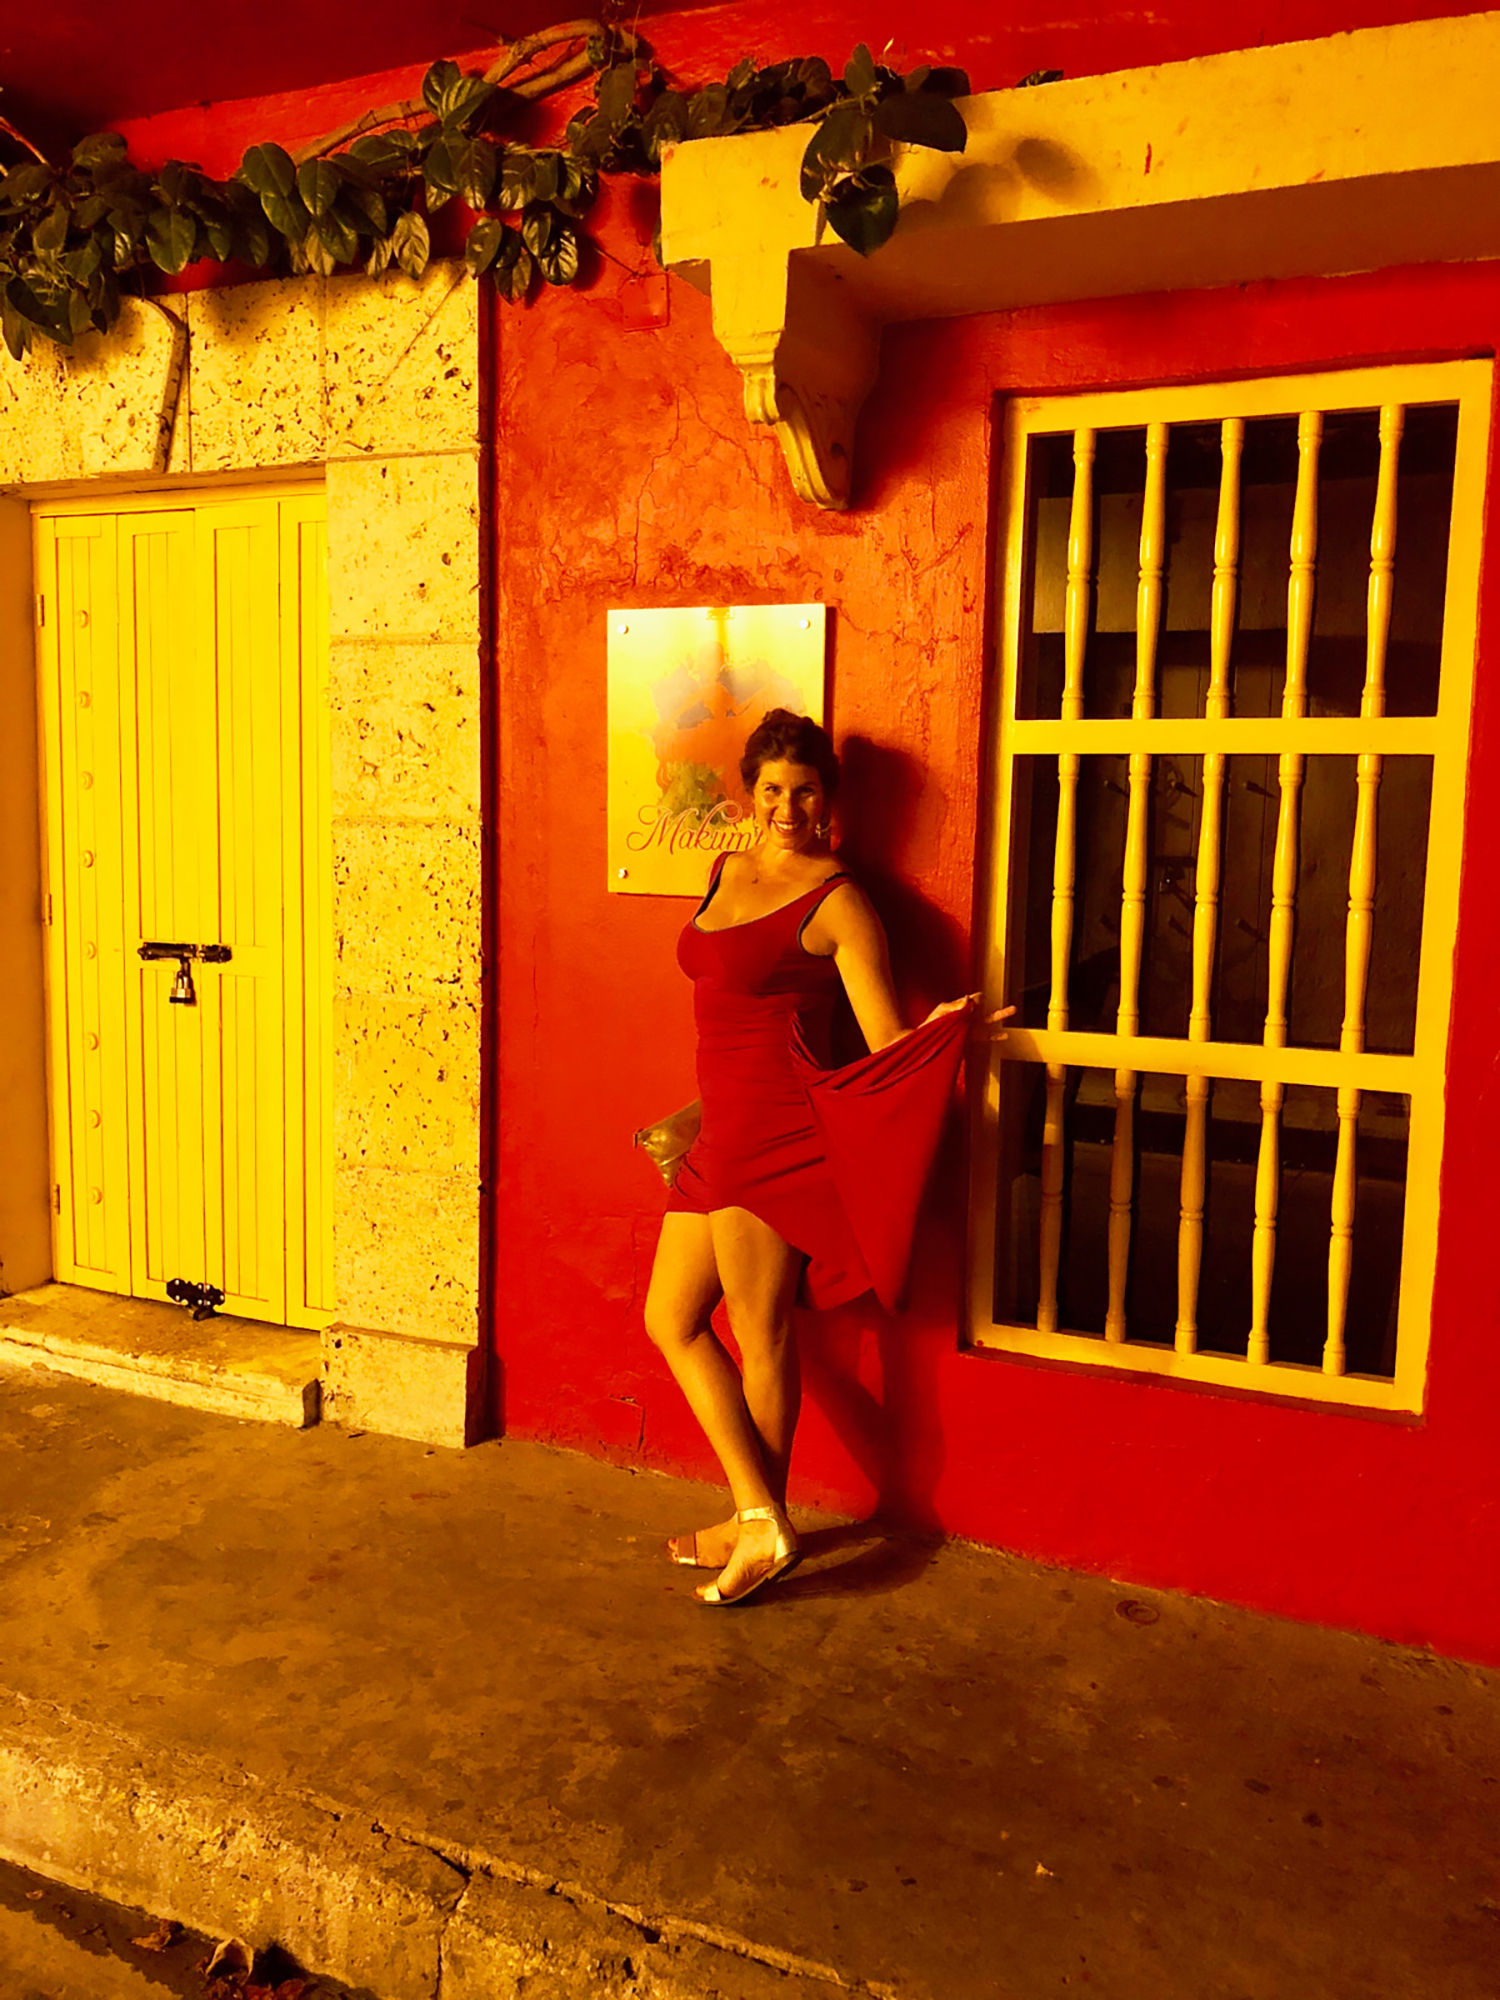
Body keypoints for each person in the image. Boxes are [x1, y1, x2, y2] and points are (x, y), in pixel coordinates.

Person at [642, 708, 1008, 1606]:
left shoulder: (839, 900)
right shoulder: (726, 869)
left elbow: (880, 1036)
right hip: (719, 1131)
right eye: (772, 788)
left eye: (805, 790)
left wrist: (940, 1035)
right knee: (671, 1319)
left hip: (776, 1140)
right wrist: (693, 1115)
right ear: (749, 793)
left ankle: (760, 1526)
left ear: (829, 799)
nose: (788, 806)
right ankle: (756, 1509)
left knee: (760, 1338)